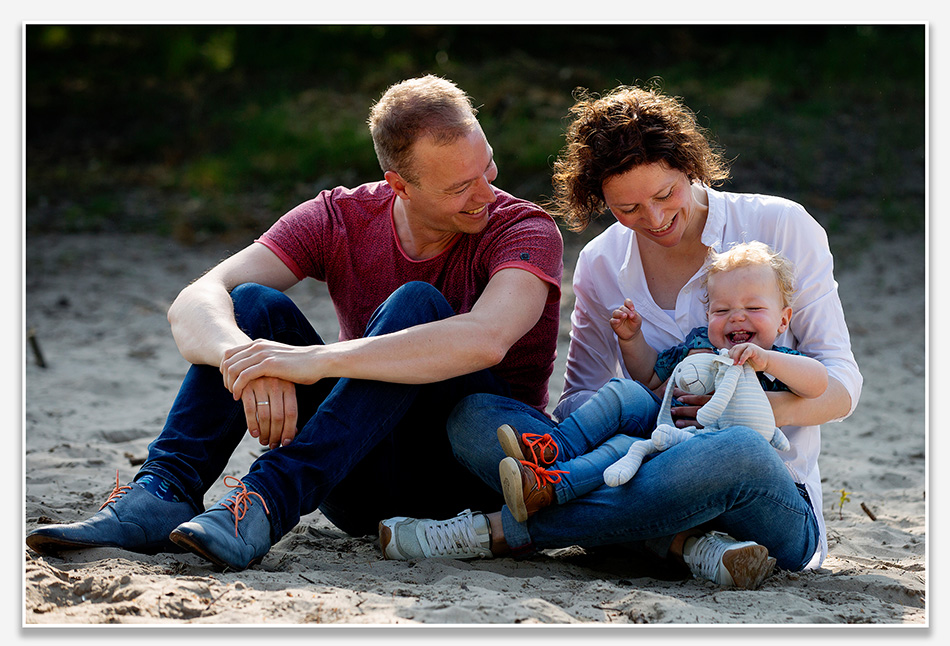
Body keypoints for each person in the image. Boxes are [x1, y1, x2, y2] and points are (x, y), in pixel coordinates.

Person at [25, 75, 564, 571]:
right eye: (459, 187)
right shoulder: (341, 217)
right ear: (399, 186)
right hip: (354, 476)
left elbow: (486, 339)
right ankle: (162, 491)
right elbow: (195, 299)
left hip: (464, 484)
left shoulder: (524, 230)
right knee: (252, 303)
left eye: (487, 167)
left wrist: (310, 361)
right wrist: (247, 359)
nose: (487, 192)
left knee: (416, 304)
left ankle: (266, 499)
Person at [378, 84, 862, 590]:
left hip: (763, 491)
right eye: (627, 208)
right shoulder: (602, 262)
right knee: (474, 418)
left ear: (689, 165)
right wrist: (639, 418)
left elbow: (843, 386)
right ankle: (681, 544)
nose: (653, 220)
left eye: (664, 194)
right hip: (648, 460)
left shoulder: (780, 224)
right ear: (600, 201)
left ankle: (496, 532)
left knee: (733, 449)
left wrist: (735, 410)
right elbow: (580, 395)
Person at [494, 241, 829, 525]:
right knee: (624, 410)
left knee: (627, 448)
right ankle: (550, 458)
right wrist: (632, 339)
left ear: (783, 319)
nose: (736, 317)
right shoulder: (700, 346)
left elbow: (817, 383)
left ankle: (555, 488)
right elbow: (651, 377)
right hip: (670, 443)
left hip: (725, 468)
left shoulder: (778, 361)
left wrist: (768, 360)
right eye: (721, 309)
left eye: (753, 307)